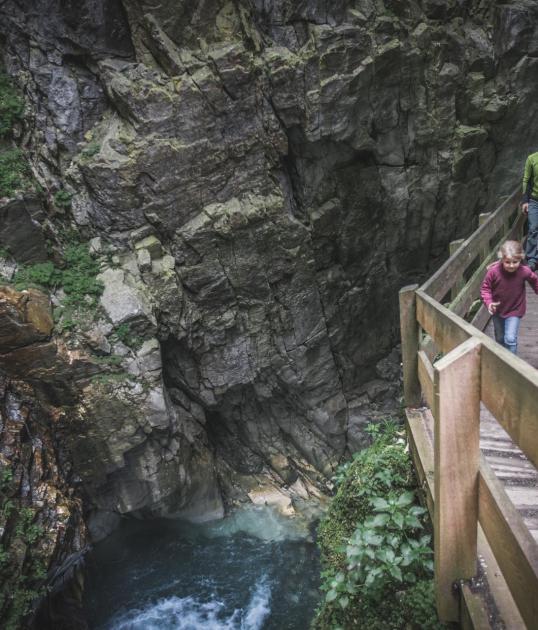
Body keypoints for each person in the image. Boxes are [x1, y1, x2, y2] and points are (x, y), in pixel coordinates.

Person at [480, 240, 538, 354]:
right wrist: (489, 302)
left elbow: (535, 281)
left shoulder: (524, 271)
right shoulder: (493, 272)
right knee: (500, 339)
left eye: (515, 262)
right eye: (507, 262)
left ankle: (512, 365)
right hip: (498, 310)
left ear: (520, 259)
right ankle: (502, 361)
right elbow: (485, 288)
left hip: (515, 310)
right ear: (502, 259)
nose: (511, 265)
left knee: (510, 339)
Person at [521, 151, 538, 271]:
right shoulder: (532, 158)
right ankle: (532, 259)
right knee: (533, 228)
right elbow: (526, 180)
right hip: (535, 200)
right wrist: (525, 201)